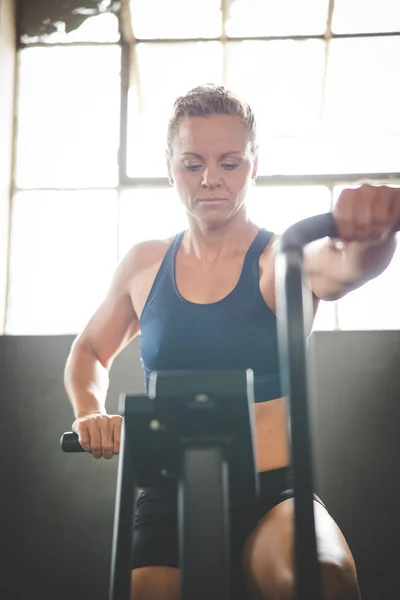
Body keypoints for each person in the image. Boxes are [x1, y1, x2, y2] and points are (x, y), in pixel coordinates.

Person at [64, 83, 400, 600]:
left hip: (273, 495)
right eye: (193, 163)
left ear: (255, 165)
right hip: (167, 490)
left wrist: (374, 235)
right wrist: (89, 411)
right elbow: (88, 352)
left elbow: (346, 269)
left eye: (230, 163)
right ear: (170, 165)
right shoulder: (144, 264)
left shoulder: (280, 258)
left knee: (326, 579)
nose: (211, 180)